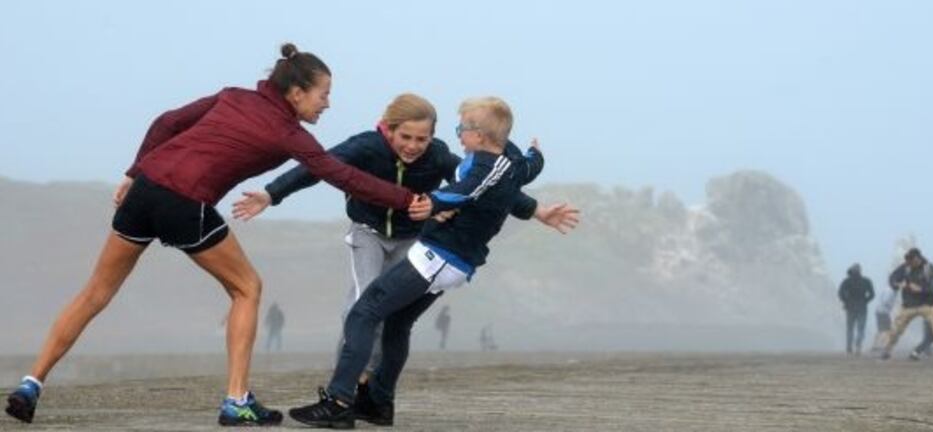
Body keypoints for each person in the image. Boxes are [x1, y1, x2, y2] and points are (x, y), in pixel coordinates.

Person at [4, 44, 431, 426]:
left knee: (94, 293)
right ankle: (236, 401)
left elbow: (165, 122)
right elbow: (342, 176)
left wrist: (135, 172)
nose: (328, 104)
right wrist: (407, 197)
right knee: (247, 288)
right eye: (324, 94)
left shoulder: (233, 96)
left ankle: (30, 384)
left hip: (146, 190)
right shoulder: (289, 133)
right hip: (184, 203)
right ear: (296, 93)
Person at [231, 93, 578, 398]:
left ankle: (367, 387)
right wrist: (271, 194)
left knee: (391, 316)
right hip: (368, 232)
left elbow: (489, 187)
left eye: (422, 139)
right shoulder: (366, 146)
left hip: (412, 237)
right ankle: (347, 387)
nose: (413, 146)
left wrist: (537, 211)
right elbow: (318, 167)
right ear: (387, 129)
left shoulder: (439, 156)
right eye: (405, 137)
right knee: (363, 303)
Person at [880, 248, 933, 360]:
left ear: (917, 258)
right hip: (908, 305)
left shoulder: (929, 268)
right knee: (895, 329)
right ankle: (886, 350)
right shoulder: (906, 267)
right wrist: (897, 284)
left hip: (926, 305)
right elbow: (892, 277)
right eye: (908, 261)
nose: (909, 263)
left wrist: (921, 289)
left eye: (911, 261)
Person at [837, 263, 874, 355]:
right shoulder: (866, 281)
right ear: (860, 271)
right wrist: (866, 300)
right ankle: (858, 346)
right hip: (862, 307)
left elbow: (840, 293)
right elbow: (872, 294)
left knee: (850, 328)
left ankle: (849, 347)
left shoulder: (847, 281)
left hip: (850, 307)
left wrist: (846, 301)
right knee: (861, 328)